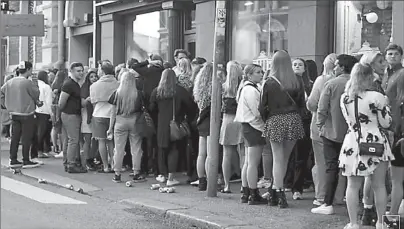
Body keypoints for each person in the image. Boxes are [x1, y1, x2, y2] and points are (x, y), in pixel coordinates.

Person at [340, 63, 394, 229]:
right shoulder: (377, 97)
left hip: (353, 142)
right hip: (375, 141)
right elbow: (386, 123)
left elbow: (348, 120)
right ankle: (380, 222)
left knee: (352, 186)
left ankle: (353, 223)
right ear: (369, 77)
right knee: (378, 185)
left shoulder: (345, 97)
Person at [312, 54, 358, 215]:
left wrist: (320, 125)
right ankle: (358, 202)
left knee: (331, 167)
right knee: (353, 168)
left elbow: (321, 108)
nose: (335, 67)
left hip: (331, 132)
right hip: (354, 132)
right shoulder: (358, 84)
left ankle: (327, 202)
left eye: (337, 65)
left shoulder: (331, 84)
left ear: (343, 67)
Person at [260, 51, 306, 208]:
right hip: (293, 119)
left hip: (275, 119)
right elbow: (301, 103)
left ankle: (278, 192)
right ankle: (276, 191)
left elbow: (262, 107)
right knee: (285, 158)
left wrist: (268, 119)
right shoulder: (297, 80)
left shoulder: (269, 82)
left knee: (277, 158)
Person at [149, 69, 197, 186]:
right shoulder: (180, 91)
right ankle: (171, 177)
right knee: (174, 149)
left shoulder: (157, 91)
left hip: (161, 124)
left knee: (161, 149)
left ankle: (162, 175)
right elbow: (191, 107)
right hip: (176, 123)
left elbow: (151, 108)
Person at [307, 53, 337, 206]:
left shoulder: (322, 80)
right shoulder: (348, 81)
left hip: (321, 125)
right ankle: (338, 196)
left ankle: (322, 196)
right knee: (339, 162)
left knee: (321, 162)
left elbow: (312, 104)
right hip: (340, 126)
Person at [235, 64, 266, 205]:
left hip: (247, 126)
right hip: (254, 127)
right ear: (249, 75)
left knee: (248, 161)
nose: (261, 74)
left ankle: (246, 191)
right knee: (253, 162)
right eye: (258, 72)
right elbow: (257, 112)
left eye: (261, 72)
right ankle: (253, 193)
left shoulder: (245, 88)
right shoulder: (251, 90)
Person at [107, 70, 146, 183]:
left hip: (120, 121)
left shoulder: (117, 93)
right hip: (134, 121)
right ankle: (136, 172)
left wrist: (110, 128)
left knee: (118, 149)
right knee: (136, 148)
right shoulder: (138, 93)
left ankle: (117, 173)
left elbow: (112, 112)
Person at [1, 61, 41, 168]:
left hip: (14, 112)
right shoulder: (27, 83)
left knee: (15, 136)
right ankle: (26, 159)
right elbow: (36, 93)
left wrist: (5, 105)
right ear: (28, 70)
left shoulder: (10, 82)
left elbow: (1, 93)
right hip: (26, 113)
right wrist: (35, 84)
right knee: (26, 137)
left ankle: (13, 159)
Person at [90, 60, 119, 173]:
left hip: (99, 113)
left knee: (101, 141)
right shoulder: (118, 83)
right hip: (113, 114)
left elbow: (93, 101)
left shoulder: (94, 86)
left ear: (102, 71)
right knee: (111, 141)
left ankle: (105, 166)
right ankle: (113, 164)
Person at [220, 61, 244, 193]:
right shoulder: (243, 86)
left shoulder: (223, 87)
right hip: (240, 120)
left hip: (227, 120)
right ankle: (243, 185)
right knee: (243, 154)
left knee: (227, 154)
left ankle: (227, 185)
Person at [59, 62, 87, 173]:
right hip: (70, 115)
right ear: (71, 71)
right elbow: (61, 102)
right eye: (78, 71)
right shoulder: (69, 84)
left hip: (70, 114)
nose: (81, 73)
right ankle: (71, 164)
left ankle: (67, 163)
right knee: (73, 140)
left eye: (82, 70)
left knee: (68, 140)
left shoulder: (75, 84)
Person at [193, 63, 213, 191]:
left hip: (201, 120)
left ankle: (201, 180)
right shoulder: (214, 87)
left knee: (201, 154)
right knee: (211, 153)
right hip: (211, 121)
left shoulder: (199, 87)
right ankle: (210, 180)